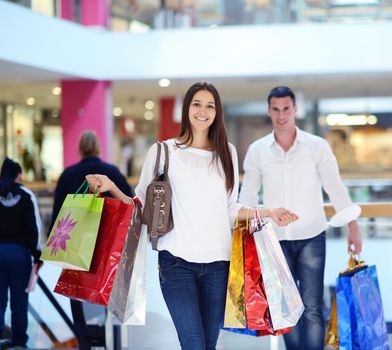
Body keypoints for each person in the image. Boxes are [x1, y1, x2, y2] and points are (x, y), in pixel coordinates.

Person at [85, 82, 298, 350]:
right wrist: (112, 187)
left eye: (210, 106)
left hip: (219, 266)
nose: (203, 111)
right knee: (194, 343)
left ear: (217, 113)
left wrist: (268, 212)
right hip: (176, 264)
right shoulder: (163, 152)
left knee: (209, 343)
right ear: (187, 109)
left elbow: (230, 209)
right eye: (197, 104)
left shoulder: (227, 153)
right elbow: (140, 206)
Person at [238, 86, 363, 350]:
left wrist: (353, 226)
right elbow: (247, 195)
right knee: (285, 309)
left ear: (295, 109)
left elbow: (335, 187)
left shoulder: (316, 146)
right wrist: (241, 234)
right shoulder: (258, 150)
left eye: (286, 109)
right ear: (269, 110)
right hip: (274, 241)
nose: (281, 115)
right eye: (275, 109)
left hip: (312, 236)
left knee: (312, 307)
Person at [49, 130, 133, 350]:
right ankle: (109, 339)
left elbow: (59, 213)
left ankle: (85, 341)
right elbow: (129, 204)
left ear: (80, 148)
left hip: (75, 242)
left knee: (75, 288)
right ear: (98, 147)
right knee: (107, 289)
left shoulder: (68, 174)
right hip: (107, 243)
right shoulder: (111, 172)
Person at [0, 158, 42, 349]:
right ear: (18, 175)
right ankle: (19, 343)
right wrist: (37, 256)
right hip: (19, 255)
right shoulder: (26, 195)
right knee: (19, 302)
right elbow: (33, 229)